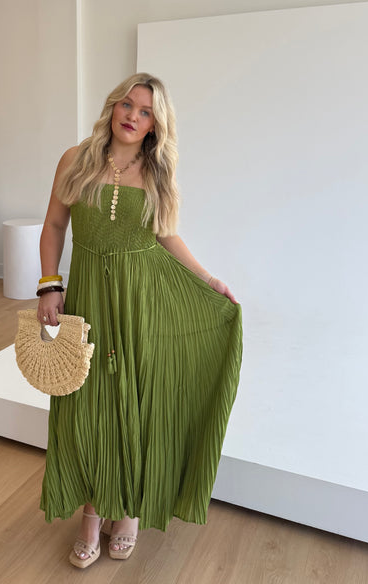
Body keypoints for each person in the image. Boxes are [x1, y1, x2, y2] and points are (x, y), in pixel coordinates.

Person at [37, 72, 242, 569]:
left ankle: (125, 511)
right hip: (86, 298)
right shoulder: (75, 158)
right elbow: (54, 225)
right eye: (127, 105)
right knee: (83, 408)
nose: (132, 116)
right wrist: (49, 283)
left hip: (140, 300)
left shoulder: (157, 173)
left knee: (134, 401)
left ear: (155, 124)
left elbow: (167, 236)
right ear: (113, 107)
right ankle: (91, 514)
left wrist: (208, 279)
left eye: (145, 111)